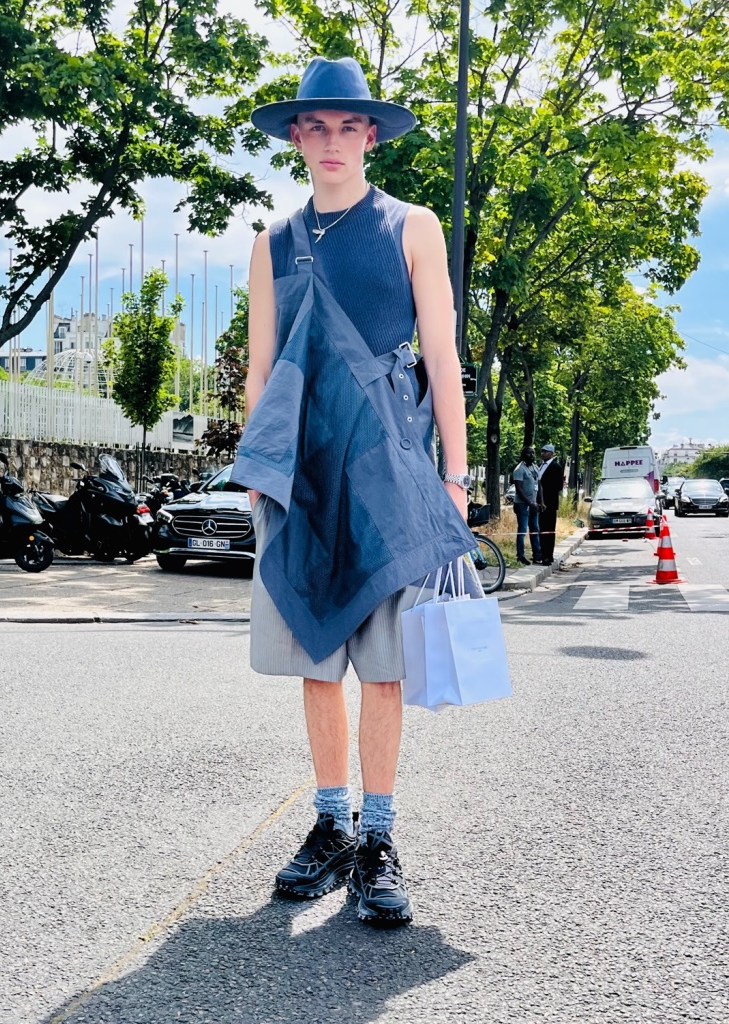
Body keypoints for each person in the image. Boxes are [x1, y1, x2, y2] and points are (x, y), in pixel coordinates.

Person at [231, 56, 475, 928]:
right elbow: (260, 370)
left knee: (384, 669)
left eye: (347, 126)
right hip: (299, 476)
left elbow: (442, 356)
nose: (331, 140)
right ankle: (330, 823)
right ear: (296, 138)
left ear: (370, 136)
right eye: (316, 126)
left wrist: (455, 475)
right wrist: (257, 474)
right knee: (314, 659)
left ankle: (376, 838)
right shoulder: (271, 242)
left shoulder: (411, 226)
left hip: (388, 475)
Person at [512, 446, 542, 565]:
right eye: (529, 453)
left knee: (535, 528)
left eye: (533, 453)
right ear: (523, 455)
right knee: (523, 529)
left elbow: (539, 486)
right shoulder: (519, 469)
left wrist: (541, 502)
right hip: (522, 504)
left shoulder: (535, 468)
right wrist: (529, 502)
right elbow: (519, 489)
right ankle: (520, 556)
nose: (532, 455)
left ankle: (537, 555)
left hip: (534, 504)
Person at [538, 444, 563, 565]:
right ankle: (542, 553)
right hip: (540, 503)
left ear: (552, 453)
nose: (543, 453)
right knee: (541, 529)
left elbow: (558, 486)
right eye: (542, 451)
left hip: (550, 503)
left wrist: (546, 491)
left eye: (546, 451)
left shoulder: (556, 467)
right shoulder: (540, 466)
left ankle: (548, 555)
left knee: (549, 529)